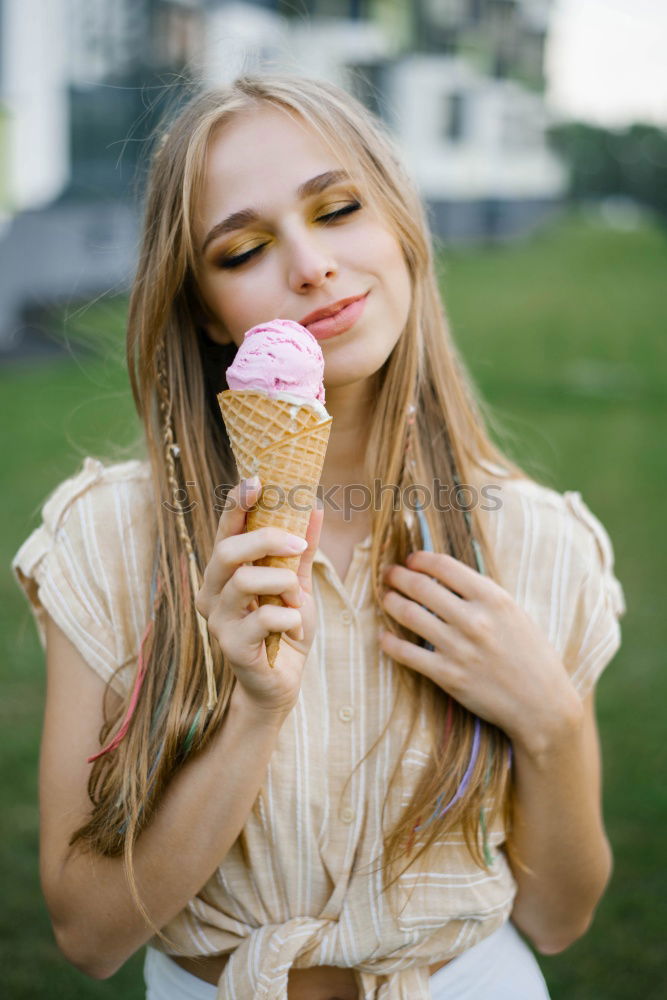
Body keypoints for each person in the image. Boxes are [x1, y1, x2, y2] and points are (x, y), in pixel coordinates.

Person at [12, 74, 626, 1000]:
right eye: (243, 249)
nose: (309, 265)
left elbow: (559, 918)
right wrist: (252, 707)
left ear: (402, 231)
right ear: (204, 310)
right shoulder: (105, 539)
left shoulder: (541, 544)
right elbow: (90, 933)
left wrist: (553, 722)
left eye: (338, 209)